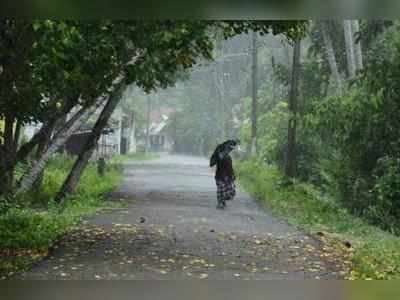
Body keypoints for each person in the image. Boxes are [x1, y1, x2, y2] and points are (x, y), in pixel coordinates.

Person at [210, 140, 239, 209]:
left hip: (226, 176)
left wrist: (232, 175)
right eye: (229, 149)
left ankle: (222, 202)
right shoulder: (219, 156)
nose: (230, 150)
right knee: (221, 189)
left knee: (227, 190)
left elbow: (230, 168)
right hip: (220, 176)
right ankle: (220, 202)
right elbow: (213, 164)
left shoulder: (228, 157)